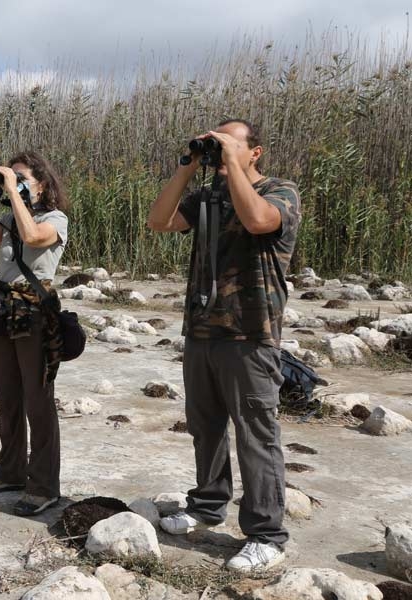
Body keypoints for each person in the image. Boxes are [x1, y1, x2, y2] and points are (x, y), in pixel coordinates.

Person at [146, 119, 302, 573]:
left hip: (250, 333)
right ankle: (207, 505)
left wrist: (231, 161)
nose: (217, 148)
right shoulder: (207, 196)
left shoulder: (281, 191)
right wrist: (188, 166)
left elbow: (257, 220)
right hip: (201, 331)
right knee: (205, 426)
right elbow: (158, 221)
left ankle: (266, 534)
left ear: (255, 152)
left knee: (256, 436)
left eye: (228, 141)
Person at [0, 150, 69, 517]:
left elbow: (33, 236)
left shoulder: (56, 219)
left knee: (38, 402)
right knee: (6, 398)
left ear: (42, 182)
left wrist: (15, 190)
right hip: (4, 313)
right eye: (13, 177)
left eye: (23, 178)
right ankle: (10, 471)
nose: (15, 184)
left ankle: (43, 485)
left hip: (35, 315)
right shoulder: (7, 218)